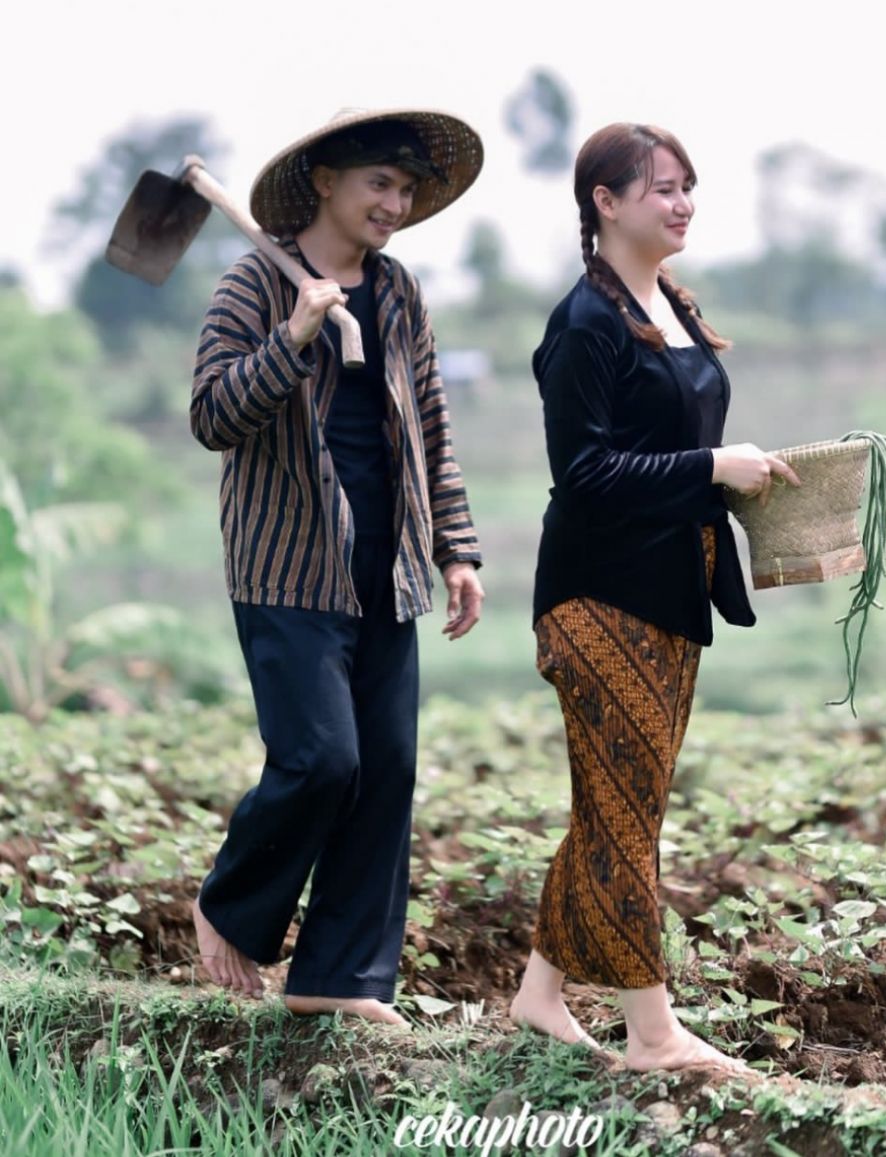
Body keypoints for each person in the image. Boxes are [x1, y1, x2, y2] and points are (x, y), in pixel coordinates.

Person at [509, 122, 800, 1071]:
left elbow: (668, 447)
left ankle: (539, 994)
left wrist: (736, 471)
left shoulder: (667, 303)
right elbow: (584, 471)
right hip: (600, 598)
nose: (682, 203)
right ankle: (653, 1032)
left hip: (670, 591)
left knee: (618, 804)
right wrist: (715, 461)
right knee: (627, 813)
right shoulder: (585, 323)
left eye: (688, 187)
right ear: (606, 201)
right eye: (662, 188)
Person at [188, 108, 486, 1026]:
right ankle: (227, 904)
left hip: (386, 564)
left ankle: (341, 978)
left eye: (404, 191)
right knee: (322, 760)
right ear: (325, 181)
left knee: (386, 767)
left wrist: (458, 549)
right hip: (288, 570)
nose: (394, 205)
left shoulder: (398, 294)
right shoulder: (253, 284)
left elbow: (432, 425)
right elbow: (211, 419)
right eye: (378, 186)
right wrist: (293, 338)